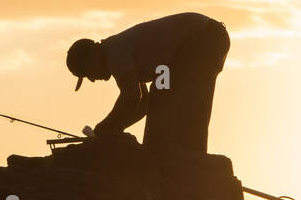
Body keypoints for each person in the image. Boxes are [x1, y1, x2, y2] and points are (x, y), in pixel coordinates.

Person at [66, 12, 230, 153]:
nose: (93, 79)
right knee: (185, 105)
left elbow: (131, 96)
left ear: (92, 57)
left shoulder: (113, 51)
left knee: (163, 99)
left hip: (201, 38)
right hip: (208, 37)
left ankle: (163, 157)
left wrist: (105, 127)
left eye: (88, 74)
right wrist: (116, 128)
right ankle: (197, 162)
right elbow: (143, 103)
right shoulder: (121, 51)